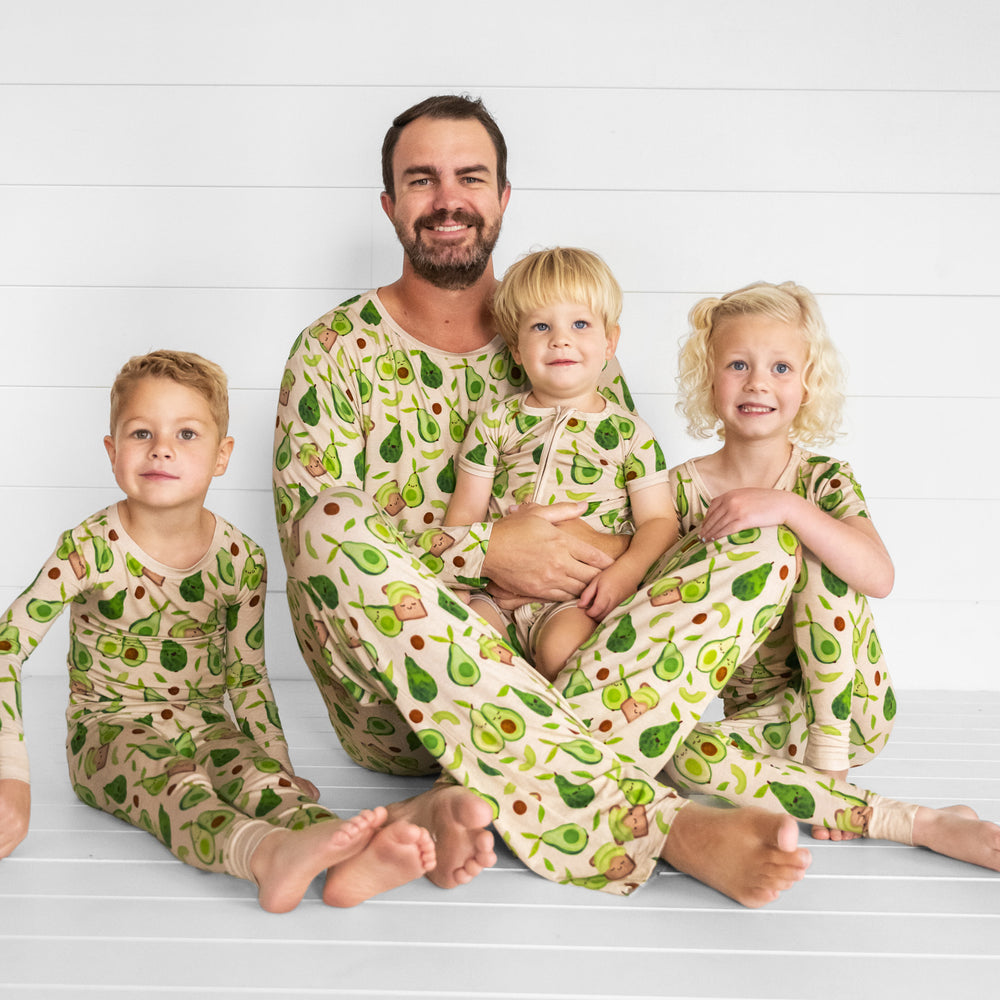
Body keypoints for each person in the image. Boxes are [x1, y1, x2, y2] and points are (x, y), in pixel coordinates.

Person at [274, 93, 820, 907]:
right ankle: (661, 826)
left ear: (502, 198)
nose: (447, 198)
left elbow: (644, 521)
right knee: (326, 526)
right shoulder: (331, 353)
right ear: (390, 205)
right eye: (421, 180)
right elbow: (318, 553)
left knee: (765, 542)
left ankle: (459, 801)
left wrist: (594, 563)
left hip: (581, 664)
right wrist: (485, 550)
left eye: (471, 177)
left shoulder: (574, 337)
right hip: (405, 696)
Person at [0, 350, 436, 912]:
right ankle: (264, 855)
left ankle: (345, 860)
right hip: (110, 732)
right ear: (111, 452)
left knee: (259, 779)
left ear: (221, 455)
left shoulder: (241, 559)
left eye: (186, 433)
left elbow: (247, 678)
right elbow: (7, 645)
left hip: (208, 724)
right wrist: (11, 776)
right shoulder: (88, 549)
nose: (162, 448)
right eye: (141, 433)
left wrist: (280, 766)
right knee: (180, 785)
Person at [660, 281, 1000, 869]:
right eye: (737, 364)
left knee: (820, 547)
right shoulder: (678, 490)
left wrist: (791, 509)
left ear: (808, 383)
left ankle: (830, 765)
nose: (758, 382)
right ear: (709, 378)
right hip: (766, 726)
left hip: (850, 711)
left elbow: (879, 577)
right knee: (680, 757)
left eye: (781, 366)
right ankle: (909, 819)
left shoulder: (822, 479)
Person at [444, 247, 678, 681]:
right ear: (516, 348)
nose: (560, 339)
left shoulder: (630, 434)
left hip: (576, 596)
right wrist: (466, 588)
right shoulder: (496, 422)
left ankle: (562, 744)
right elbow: (463, 519)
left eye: (580, 324)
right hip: (497, 593)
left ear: (610, 342)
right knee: (466, 652)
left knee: (563, 655)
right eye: (540, 326)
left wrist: (624, 576)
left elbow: (661, 523)